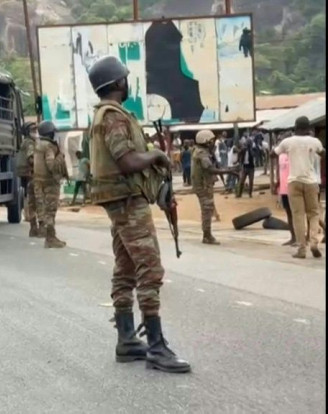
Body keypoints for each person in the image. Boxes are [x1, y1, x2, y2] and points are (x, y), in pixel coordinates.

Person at [87, 55, 190, 373]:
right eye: (125, 78)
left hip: (118, 201)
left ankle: (127, 339)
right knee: (150, 269)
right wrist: (156, 154)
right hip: (128, 202)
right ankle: (157, 348)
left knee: (126, 267)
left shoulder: (103, 115)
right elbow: (127, 161)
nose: (127, 82)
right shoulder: (114, 117)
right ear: (118, 83)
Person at [273, 116, 325, 259]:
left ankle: (302, 249)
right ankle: (314, 242)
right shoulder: (315, 141)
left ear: (295, 127)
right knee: (313, 213)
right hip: (310, 182)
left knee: (298, 215)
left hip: (294, 182)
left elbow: (274, 153)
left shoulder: (287, 142)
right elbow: (322, 153)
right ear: (308, 128)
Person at [191, 130, 238, 244]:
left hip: (203, 185)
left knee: (207, 209)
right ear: (206, 141)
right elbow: (210, 169)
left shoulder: (200, 151)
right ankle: (207, 236)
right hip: (204, 186)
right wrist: (229, 171)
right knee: (207, 210)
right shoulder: (202, 154)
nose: (213, 143)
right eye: (211, 141)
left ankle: (207, 234)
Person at [33, 120, 67, 248]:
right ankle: (50, 238)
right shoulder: (49, 146)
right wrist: (61, 155)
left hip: (39, 181)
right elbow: (51, 165)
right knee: (51, 210)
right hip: (50, 183)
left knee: (44, 209)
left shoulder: (38, 144)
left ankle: (49, 235)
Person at [16, 121, 42, 238]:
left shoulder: (25, 142)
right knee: (36, 199)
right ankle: (38, 226)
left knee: (29, 197)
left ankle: (32, 226)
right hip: (31, 173)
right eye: (33, 130)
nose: (35, 132)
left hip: (26, 174)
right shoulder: (30, 143)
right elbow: (31, 158)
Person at [276, 149, 297, 246]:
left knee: (299, 213)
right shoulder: (280, 155)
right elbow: (280, 170)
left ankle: (303, 236)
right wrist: (278, 183)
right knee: (289, 213)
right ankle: (293, 237)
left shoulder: (294, 154)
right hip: (284, 189)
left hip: (294, 187)